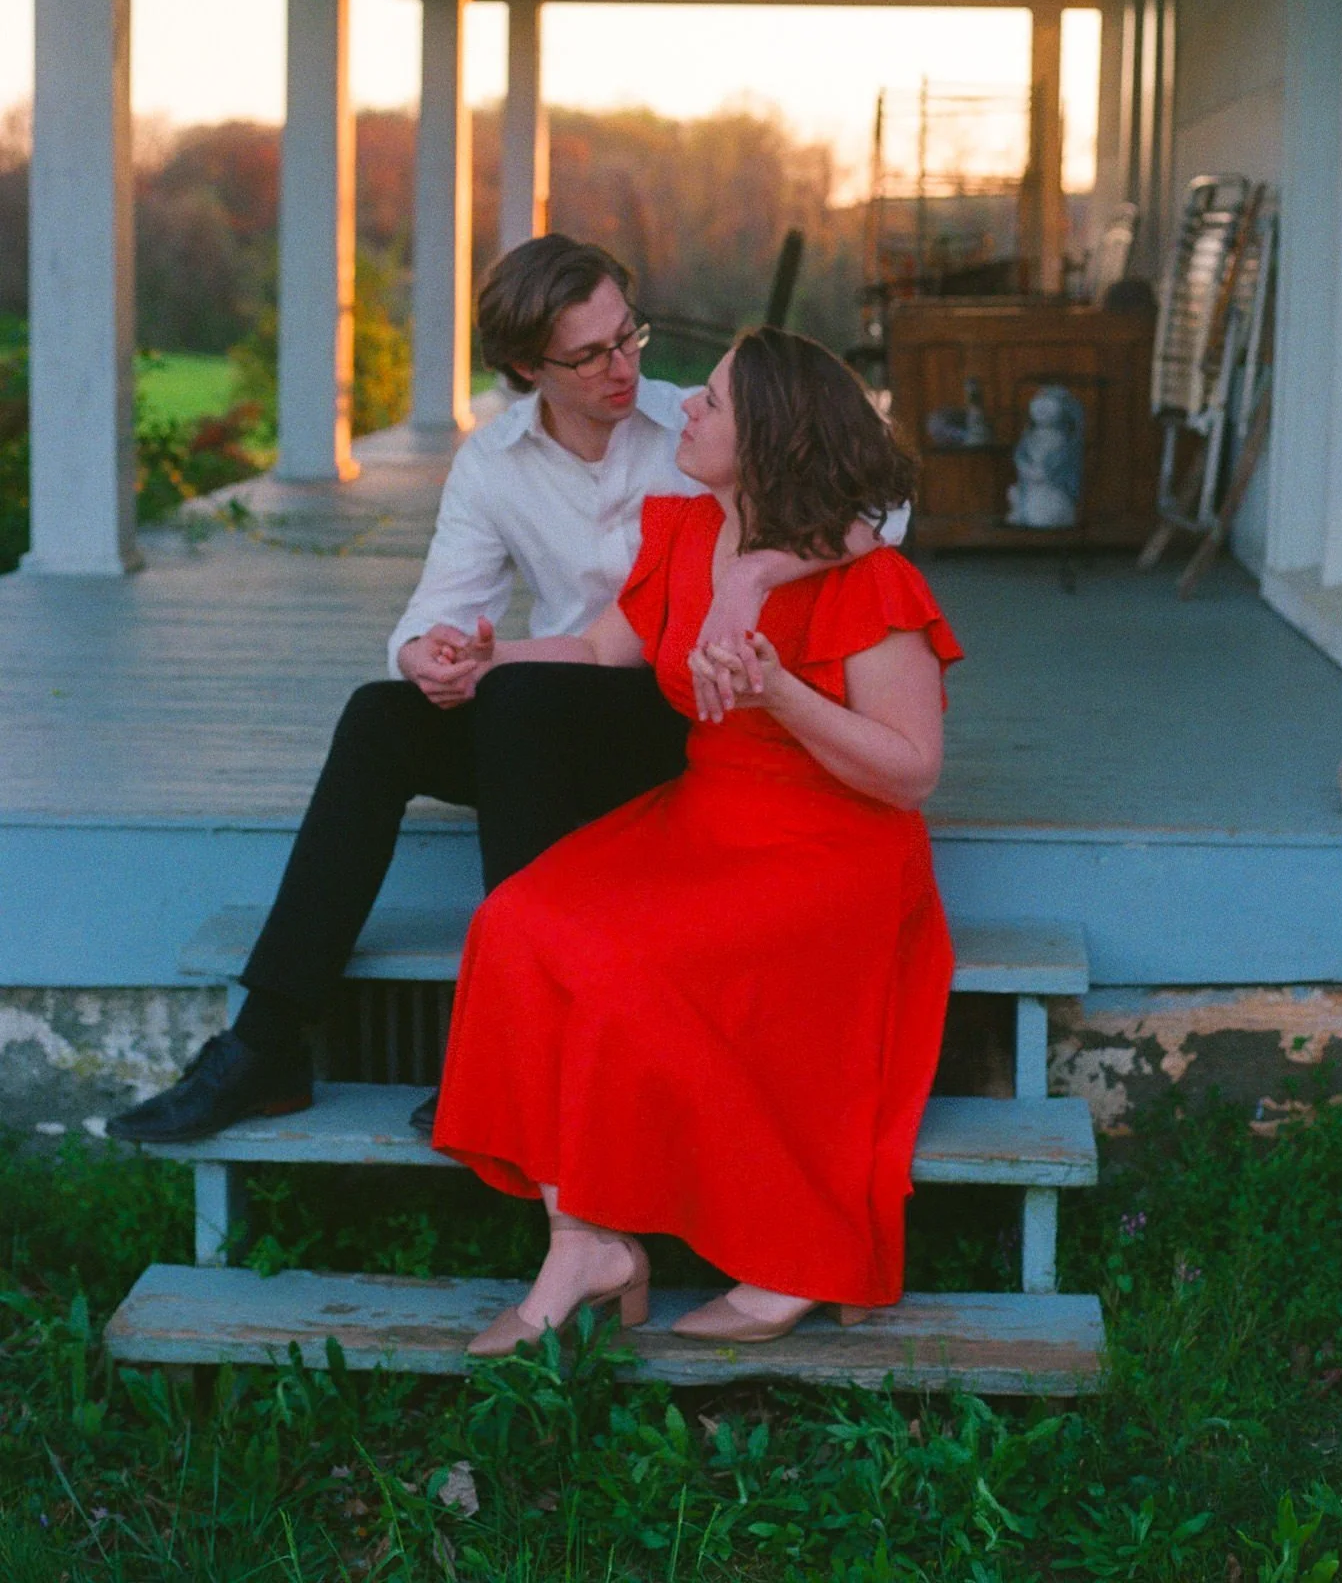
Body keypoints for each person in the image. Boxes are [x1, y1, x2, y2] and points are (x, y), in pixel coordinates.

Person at [108, 238, 904, 1147]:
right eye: (591, 354)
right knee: (382, 716)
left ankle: (515, 1034)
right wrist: (433, 657)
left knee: (523, 702)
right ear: (529, 366)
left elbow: (888, 507)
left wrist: (756, 572)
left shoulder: (698, 425)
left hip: (693, 722)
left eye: (628, 336)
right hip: (561, 712)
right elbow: (437, 616)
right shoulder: (493, 463)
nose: (625, 365)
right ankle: (265, 1045)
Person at [431, 327, 962, 1354]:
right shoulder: (678, 531)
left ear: (765, 436)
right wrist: (492, 659)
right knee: (516, 921)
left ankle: (785, 1245)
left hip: (831, 842)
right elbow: (599, 645)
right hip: (705, 814)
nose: (683, 410)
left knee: (624, 963)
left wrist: (779, 690)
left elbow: (910, 771)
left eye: (710, 403)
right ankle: (581, 1238)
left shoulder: (872, 581)